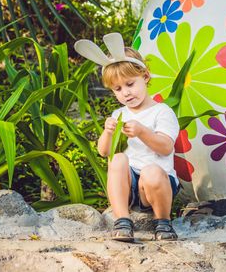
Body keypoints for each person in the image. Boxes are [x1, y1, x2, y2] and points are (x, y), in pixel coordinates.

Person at [75, 34, 180, 242]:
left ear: (146, 77)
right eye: (118, 89)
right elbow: (103, 151)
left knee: (151, 171)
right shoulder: (119, 114)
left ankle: (163, 222)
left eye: (130, 84)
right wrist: (107, 132)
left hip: (157, 185)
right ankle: (122, 219)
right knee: (118, 158)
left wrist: (142, 131)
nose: (126, 93)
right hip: (130, 187)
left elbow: (166, 147)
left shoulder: (162, 111)